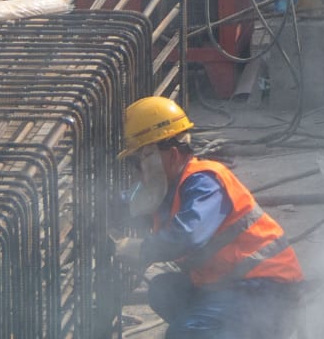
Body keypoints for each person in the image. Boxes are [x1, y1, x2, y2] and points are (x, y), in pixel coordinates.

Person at [114, 95, 305, 338]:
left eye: (140, 158)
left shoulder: (205, 183)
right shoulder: (168, 186)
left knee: (183, 334)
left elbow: (186, 236)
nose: (138, 168)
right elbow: (131, 202)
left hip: (267, 291)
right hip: (231, 285)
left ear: (172, 155)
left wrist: (138, 248)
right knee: (163, 290)